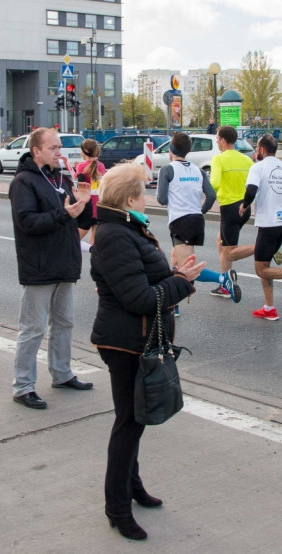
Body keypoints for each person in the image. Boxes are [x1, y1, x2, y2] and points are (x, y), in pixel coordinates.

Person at [89, 163, 202, 541]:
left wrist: (173, 275)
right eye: (144, 192)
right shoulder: (115, 235)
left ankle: (132, 487)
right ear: (129, 198)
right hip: (125, 343)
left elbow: (144, 280)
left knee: (134, 420)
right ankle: (116, 508)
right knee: (128, 424)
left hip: (138, 338)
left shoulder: (127, 228)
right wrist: (182, 283)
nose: (149, 198)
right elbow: (138, 298)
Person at [9, 128, 93, 410]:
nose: (60, 152)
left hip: (64, 262)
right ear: (37, 151)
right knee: (32, 328)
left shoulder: (61, 177)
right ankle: (23, 386)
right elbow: (27, 222)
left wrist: (86, 203)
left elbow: (77, 217)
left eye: (60, 147)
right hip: (40, 265)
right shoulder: (24, 182)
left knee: (64, 323)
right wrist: (63, 214)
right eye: (54, 148)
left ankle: (62, 373)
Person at [155, 132, 238, 306]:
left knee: (188, 268)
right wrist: (200, 211)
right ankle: (173, 305)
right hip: (196, 220)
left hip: (180, 221)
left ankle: (224, 279)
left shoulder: (167, 169)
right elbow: (211, 195)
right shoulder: (198, 170)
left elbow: (161, 199)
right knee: (176, 260)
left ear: (170, 149)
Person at [239, 135, 282, 321]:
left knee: (261, 269)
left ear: (261, 150)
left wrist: (244, 205)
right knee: (266, 265)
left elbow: (251, 190)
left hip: (269, 224)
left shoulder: (258, 167)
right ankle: (269, 307)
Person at [209, 125, 255, 299]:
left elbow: (214, 183)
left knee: (229, 251)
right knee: (221, 244)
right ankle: (225, 284)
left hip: (229, 208)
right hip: (245, 207)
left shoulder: (219, 159)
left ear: (222, 140)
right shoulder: (246, 160)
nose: (217, 143)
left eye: (216, 139)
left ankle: (262, 248)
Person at [74, 138, 105, 248]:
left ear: (84, 151)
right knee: (94, 241)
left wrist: (77, 169)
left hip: (87, 205)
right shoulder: (101, 165)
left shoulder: (81, 166)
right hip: (99, 204)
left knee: (72, 239)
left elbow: (80, 185)